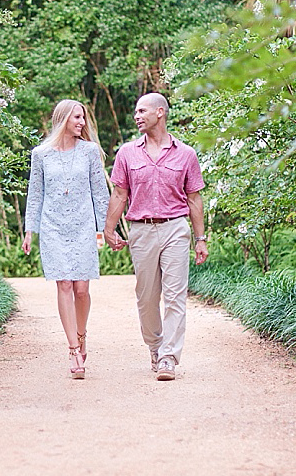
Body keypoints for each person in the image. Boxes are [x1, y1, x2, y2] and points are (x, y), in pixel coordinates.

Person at [104, 92, 208, 381]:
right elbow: (119, 193)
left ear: (160, 112)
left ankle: (168, 357)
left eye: (142, 111)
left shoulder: (186, 153)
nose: (137, 116)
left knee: (175, 296)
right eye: (136, 112)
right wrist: (109, 229)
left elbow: (194, 198)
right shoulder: (127, 153)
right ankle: (155, 345)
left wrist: (200, 239)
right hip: (141, 230)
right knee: (147, 296)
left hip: (175, 227)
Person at [23, 100, 110, 379]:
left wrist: (106, 228)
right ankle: (73, 349)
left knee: (82, 289)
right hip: (53, 227)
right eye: (77, 117)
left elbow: (100, 193)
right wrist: (29, 230)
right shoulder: (41, 154)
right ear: (63, 119)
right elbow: (35, 193)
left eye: (83, 117)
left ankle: (81, 335)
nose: (82, 122)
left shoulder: (89, 152)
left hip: (83, 225)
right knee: (64, 284)